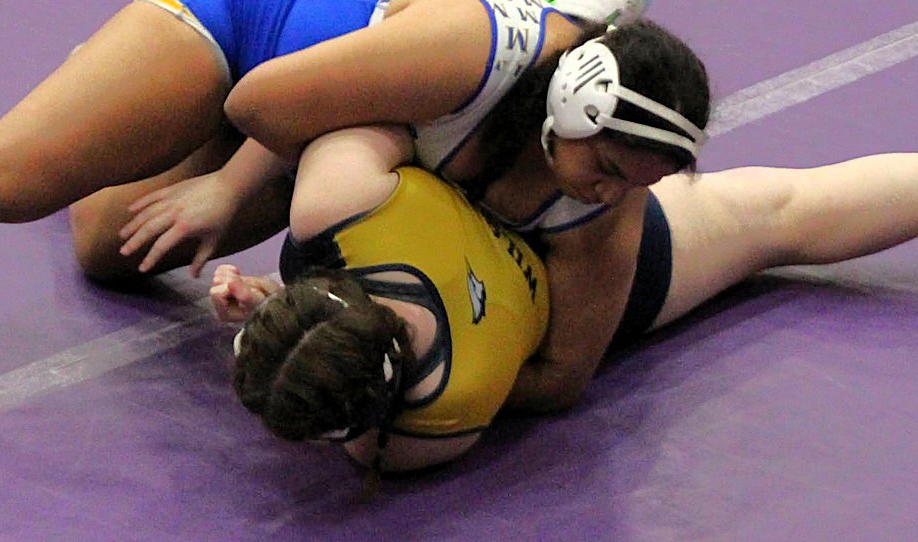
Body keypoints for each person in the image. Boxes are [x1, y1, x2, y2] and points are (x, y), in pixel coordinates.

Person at [0, 0, 709, 409]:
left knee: (108, 249)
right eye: (608, 167)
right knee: (1, 183)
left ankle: (122, 106)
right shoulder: (473, 54)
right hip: (252, 24)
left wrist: (407, 368)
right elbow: (260, 102)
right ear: (571, 108)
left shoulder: (603, 199)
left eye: (638, 184)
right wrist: (224, 189)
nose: (611, 194)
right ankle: (132, 90)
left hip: (330, 117)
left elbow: (561, 377)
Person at [216, 123, 918, 481]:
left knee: (783, 219)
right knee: (781, 208)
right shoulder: (337, 204)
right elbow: (364, 112)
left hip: (578, 292)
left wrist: (285, 321)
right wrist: (280, 308)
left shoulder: (424, 430)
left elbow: (370, 396)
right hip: (564, 224)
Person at [218, 124, 550, 483]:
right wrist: (279, 312)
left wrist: (279, 314)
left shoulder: (416, 426)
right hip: (537, 171)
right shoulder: (336, 203)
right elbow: (398, 115)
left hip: (564, 272)